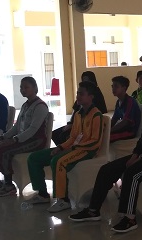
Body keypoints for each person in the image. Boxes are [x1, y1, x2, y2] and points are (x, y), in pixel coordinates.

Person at [69, 83, 142, 233]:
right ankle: (93, 210)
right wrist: (135, 154)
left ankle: (130, 218)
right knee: (107, 169)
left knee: (132, 174)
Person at [26, 80, 105, 212]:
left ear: (91, 97)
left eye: (82, 94)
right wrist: (61, 147)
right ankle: (42, 194)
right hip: (72, 148)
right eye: (77, 93)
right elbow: (73, 137)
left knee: (58, 161)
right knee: (34, 158)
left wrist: (73, 148)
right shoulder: (78, 114)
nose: (78, 96)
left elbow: (95, 142)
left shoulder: (96, 115)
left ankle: (63, 200)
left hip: (87, 150)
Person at [0, 77, 49, 197]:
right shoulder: (25, 105)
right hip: (21, 138)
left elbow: (33, 129)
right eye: (21, 87)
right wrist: (3, 137)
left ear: (35, 88)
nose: (23, 90)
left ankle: (9, 185)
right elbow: (16, 127)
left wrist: (14, 140)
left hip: (35, 140)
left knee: (3, 151)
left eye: (26, 87)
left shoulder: (40, 106)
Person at [51, 71, 107, 146]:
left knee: (63, 136)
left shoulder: (96, 96)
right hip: (78, 127)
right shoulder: (78, 112)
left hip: (85, 135)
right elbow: (75, 110)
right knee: (55, 134)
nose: (78, 96)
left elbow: (94, 140)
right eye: (77, 93)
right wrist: (71, 123)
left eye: (87, 80)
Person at [109, 75, 142, 142]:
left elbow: (125, 122)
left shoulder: (130, 101)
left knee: (107, 138)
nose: (113, 89)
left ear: (124, 88)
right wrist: (105, 128)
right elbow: (114, 119)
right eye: (112, 86)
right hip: (123, 129)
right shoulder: (118, 102)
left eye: (116, 86)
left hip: (130, 131)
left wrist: (109, 130)